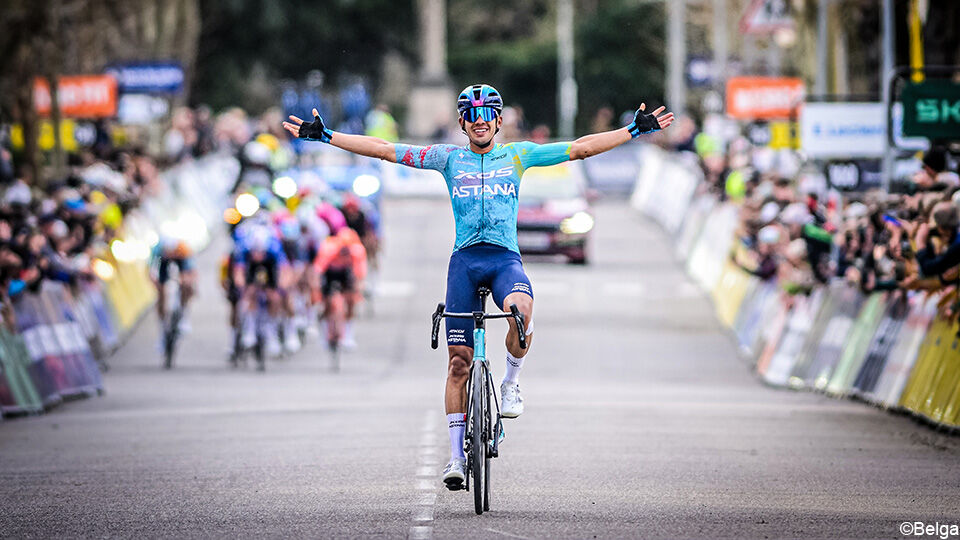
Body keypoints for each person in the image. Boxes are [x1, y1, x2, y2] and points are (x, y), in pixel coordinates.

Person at [283, 83, 673, 490]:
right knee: (458, 364)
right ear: (462, 122)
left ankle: (510, 384)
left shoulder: (518, 155)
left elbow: (581, 149)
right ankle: (455, 457)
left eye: (487, 115)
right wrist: (327, 136)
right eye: (471, 115)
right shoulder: (447, 158)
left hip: (504, 260)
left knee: (521, 312)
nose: (479, 121)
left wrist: (632, 130)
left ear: (499, 121)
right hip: (465, 264)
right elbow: (383, 149)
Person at [150, 236, 197, 338]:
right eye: (168, 253)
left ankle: (184, 315)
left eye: (172, 253)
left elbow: (192, 271)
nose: (171, 255)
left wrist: (187, 282)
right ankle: (162, 323)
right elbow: (151, 271)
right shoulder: (157, 250)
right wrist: (157, 285)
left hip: (180, 260)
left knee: (186, 285)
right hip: (163, 262)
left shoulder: (183, 249)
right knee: (160, 292)